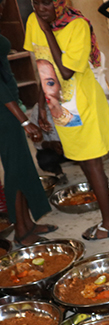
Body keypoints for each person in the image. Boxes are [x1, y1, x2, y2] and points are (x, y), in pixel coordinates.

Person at [26, 0, 109, 241]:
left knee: (92, 162)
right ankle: (108, 216)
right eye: (35, 2)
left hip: (84, 104)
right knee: (81, 160)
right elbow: (43, 66)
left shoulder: (77, 25)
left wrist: (48, 32)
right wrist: (43, 108)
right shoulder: (32, 22)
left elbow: (66, 71)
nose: (39, 8)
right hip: (58, 105)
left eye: (46, 2)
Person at [0, 0, 57, 246]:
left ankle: (28, 222)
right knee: (15, 170)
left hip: (9, 107)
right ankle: (21, 231)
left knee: (21, 166)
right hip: (4, 112)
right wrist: (24, 121)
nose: (2, 7)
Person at [29, 103, 69, 184]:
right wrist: (51, 145)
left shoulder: (70, 103)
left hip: (75, 145)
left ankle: (88, 170)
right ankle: (59, 173)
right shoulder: (38, 110)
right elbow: (37, 141)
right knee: (45, 159)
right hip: (54, 149)